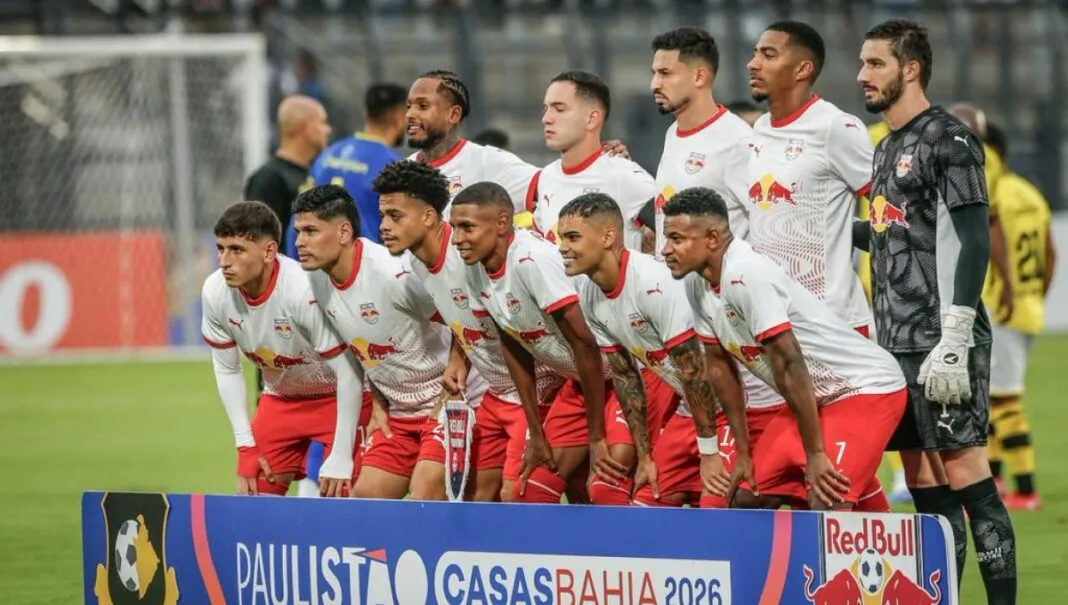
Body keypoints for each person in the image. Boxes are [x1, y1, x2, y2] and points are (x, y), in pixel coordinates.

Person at [857, 19, 1017, 603]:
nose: (862, 75)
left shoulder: (950, 139)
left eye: (875, 64)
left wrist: (955, 335)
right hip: (893, 342)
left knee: (969, 474)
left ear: (911, 68)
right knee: (923, 481)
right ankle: (942, 595)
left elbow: (973, 238)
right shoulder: (886, 147)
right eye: (863, 64)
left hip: (944, 338)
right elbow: (888, 236)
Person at [662, 186, 908, 512]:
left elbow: (791, 363)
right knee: (745, 497)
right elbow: (720, 368)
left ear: (711, 238)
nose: (666, 249)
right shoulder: (697, 283)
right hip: (816, 397)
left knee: (827, 498)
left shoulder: (746, 275)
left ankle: (880, 538)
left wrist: (816, 454)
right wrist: (744, 453)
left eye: (677, 239)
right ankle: (858, 484)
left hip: (863, 388)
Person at [374, 160, 565, 501]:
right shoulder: (417, 263)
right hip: (494, 391)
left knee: (518, 497)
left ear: (430, 217)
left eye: (395, 216)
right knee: (472, 498)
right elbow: (464, 318)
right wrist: (459, 358)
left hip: (536, 388)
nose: (384, 226)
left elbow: (513, 325)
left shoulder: (470, 255)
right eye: (383, 215)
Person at [556, 192, 759, 508]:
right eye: (561, 238)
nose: (562, 247)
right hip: (692, 409)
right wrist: (645, 456)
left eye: (572, 237)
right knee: (648, 503)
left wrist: (709, 453)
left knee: (717, 506)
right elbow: (625, 377)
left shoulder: (654, 284)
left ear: (608, 236)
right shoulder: (590, 293)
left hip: (740, 406)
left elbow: (695, 374)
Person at [292, 184, 487, 500]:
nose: (300, 242)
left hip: (449, 403)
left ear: (343, 232)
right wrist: (379, 401)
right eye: (298, 231)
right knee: (364, 501)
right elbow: (363, 347)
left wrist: (450, 386)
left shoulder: (396, 276)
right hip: (398, 413)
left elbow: (463, 320)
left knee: (426, 495)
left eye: (311, 231)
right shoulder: (316, 277)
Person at [449, 182, 630, 504]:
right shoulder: (474, 268)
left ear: (502, 223)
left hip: (625, 377)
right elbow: (513, 342)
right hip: (582, 382)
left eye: (467, 228)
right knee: (526, 492)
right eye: (454, 228)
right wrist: (536, 432)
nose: (458, 239)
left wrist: (596, 436)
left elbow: (585, 345)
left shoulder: (531, 261)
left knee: (605, 487)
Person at [201, 201, 366, 497]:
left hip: (339, 397)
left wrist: (342, 455)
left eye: (237, 250)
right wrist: (245, 445)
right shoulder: (214, 292)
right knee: (252, 504)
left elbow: (350, 372)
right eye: (221, 248)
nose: (225, 261)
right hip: (281, 400)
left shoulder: (302, 290)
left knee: (343, 506)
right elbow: (227, 367)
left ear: (269, 252)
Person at [744, 20, 875, 338]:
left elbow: (892, 207)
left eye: (768, 55)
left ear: (803, 69)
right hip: (774, 317)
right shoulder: (760, 128)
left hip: (831, 319)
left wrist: (848, 232)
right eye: (755, 54)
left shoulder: (836, 128)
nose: (753, 64)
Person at [405, 70, 629, 216]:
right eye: (409, 106)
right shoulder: (402, 172)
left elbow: (560, 188)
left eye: (423, 106)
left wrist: (602, 163)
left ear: (453, 115)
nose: (410, 115)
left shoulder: (488, 162)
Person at [983, 121, 1055, 510]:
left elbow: (994, 243)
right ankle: (994, 481)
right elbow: (1050, 251)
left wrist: (1008, 291)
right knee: (991, 400)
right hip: (1029, 307)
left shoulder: (996, 194)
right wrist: (1036, 295)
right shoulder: (1030, 193)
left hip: (1002, 305)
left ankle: (1025, 489)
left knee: (1005, 402)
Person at [650, 27, 753, 259]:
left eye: (666, 73)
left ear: (699, 76)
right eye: (654, 73)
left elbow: (767, 228)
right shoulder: (672, 132)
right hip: (671, 291)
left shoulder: (738, 142)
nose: (654, 84)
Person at [526, 70, 656, 252]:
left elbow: (680, 229)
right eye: (546, 109)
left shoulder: (624, 176)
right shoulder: (547, 176)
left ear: (591, 118)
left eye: (559, 109)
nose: (546, 119)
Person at [290, 82, 407, 254]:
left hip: (319, 265)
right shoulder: (393, 165)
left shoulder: (329, 154)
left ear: (366, 114)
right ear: (399, 117)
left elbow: (297, 216)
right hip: (365, 268)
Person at [246, 95, 332, 232]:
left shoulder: (317, 172)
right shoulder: (268, 179)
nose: (328, 130)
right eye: (322, 122)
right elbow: (259, 239)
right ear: (305, 127)